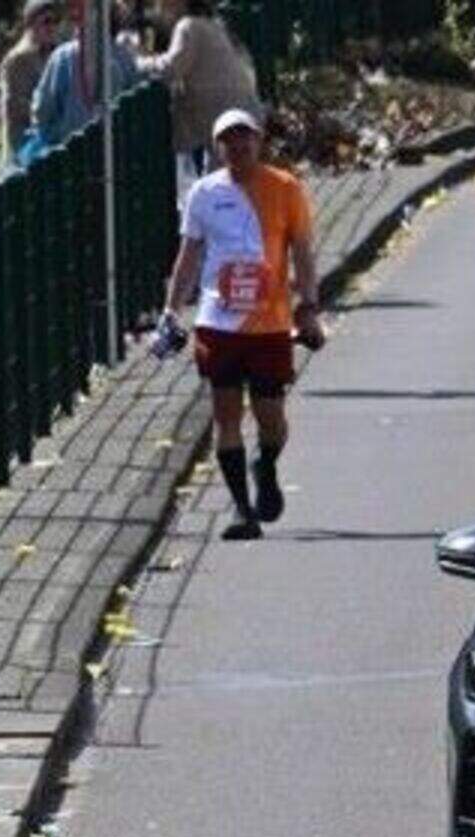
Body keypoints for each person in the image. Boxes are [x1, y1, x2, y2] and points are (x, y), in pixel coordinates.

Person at [157, 109, 323, 540]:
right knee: (225, 414)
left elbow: (302, 251)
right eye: (229, 141)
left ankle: (265, 466)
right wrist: (172, 309)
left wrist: (309, 305)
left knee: (271, 416)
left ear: (259, 140)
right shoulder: (204, 194)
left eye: (245, 139)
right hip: (217, 322)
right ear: (218, 148)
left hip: (269, 323)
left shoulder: (286, 189)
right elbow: (189, 254)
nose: (239, 148)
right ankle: (241, 509)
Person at [154, 0, 263, 176]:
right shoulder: (212, 24)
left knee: (222, 185)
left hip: (227, 124)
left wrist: (137, 62)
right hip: (240, 114)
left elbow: (171, 68)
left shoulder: (189, 27)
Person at [31, 1, 142, 150]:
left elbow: (42, 112)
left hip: (73, 155)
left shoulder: (64, 58)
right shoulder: (124, 57)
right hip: (117, 151)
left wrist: (60, 135)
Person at [0, 0, 67, 164]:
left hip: (52, 137)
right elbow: (14, 105)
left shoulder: (57, 53)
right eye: (46, 21)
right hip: (25, 141)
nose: (52, 27)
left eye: (56, 21)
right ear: (31, 24)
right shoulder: (19, 59)